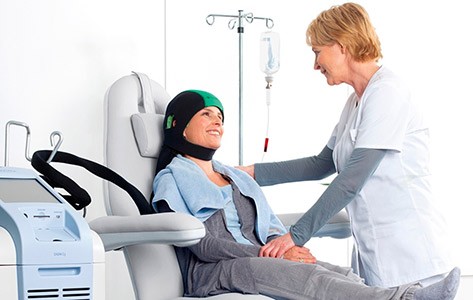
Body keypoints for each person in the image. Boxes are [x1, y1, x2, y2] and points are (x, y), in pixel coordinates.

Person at [151, 89, 460, 300]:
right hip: (211, 271)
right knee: (307, 278)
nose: (217, 120)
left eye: (220, 115)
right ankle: (407, 298)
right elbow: (200, 244)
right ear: (177, 124)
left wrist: (285, 247)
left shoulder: (234, 177)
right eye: (205, 114)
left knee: (335, 272)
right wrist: (268, 253)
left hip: (261, 260)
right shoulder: (171, 178)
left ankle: (408, 293)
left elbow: (271, 225)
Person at [238, 2, 456, 289]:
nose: (315, 64)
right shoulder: (355, 101)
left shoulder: (387, 93)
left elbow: (351, 180)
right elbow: (320, 165)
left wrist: (295, 235)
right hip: (375, 253)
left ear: (341, 45)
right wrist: (247, 172)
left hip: (411, 254)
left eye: (317, 52)